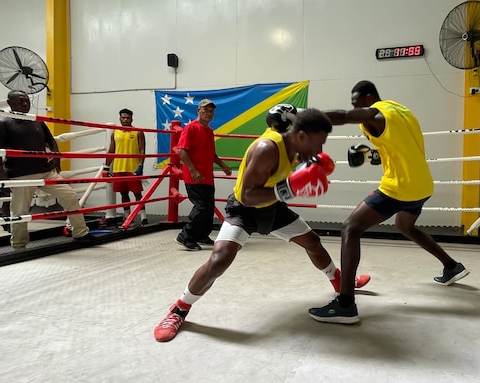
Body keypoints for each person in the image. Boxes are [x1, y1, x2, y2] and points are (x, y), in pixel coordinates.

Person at [153, 108, 369, 342]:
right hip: (244, 210)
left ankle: (338, 281)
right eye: (318, 145)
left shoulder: (295, 147)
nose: (319, 151)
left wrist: (312, 167)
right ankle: (179, 309)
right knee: (219, 259)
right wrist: (292, 186)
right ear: (302, 136)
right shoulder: (267, 148)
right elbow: (247, 196)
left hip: (273, 207)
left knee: (313, 242)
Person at [308, 80, 470, 324]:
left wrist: (307, 118)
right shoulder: (400, 111)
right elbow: (396, 148)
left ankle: (345, 304)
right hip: (422, 185)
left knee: (350, 229)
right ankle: (452, 267)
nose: (356, 108)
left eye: (357, 103)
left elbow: (343, 116)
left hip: (399, 187)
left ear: (369, 97)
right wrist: (370, 154)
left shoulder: (375, 112)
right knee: (406, 226)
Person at [0, 90, 90, 248]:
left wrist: (56, 160)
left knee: (70, 195)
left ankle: (81, 232)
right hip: (21, 175)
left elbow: (51, 141)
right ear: (10, 103)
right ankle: (19, 245)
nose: (25, 103)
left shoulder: (37, 121)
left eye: (27, 100)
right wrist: (2, 178)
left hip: (46, 172)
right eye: (21, 101)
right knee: (20, 211)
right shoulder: (3, 124)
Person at [175, 99, 233, 250]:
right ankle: (185, 236)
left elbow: (211, 153)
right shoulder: (190, 128)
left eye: (211, 111)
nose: (209, 113)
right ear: (198, 111)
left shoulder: (209, 131)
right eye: (205, 110)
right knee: (201, 207)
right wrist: (193, 170)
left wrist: (223, 165)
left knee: (208, 207)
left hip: (207, 175)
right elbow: (182, 150)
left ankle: (201, 235)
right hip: (194, 175)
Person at [105, 108, 148, 226]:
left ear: (131, 119)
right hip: (119, 168)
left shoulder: (138, 132)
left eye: (127, 118)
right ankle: (128, 218)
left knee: (137, 193)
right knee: (123, 193)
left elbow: (142, 150)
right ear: (119, 118)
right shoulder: (115, 133)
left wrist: (140, 165)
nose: (125, 120)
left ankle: (144, 217)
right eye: (123, 117)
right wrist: (106, 167)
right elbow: (111, 151)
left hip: (132, 168)